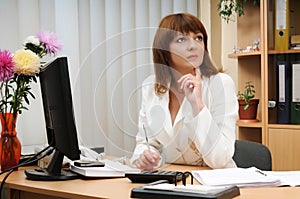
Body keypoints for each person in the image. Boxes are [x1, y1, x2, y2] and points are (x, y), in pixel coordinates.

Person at [130, 13, 238, 171]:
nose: (193, 45)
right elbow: (147, 142)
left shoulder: (220, 84)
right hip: (173, 180)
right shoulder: (151, 87)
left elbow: (220, 159)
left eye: (198, 38)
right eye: (181, 39)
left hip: (215, 183)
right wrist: (145, 156)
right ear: (164, 49)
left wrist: (198, 106)